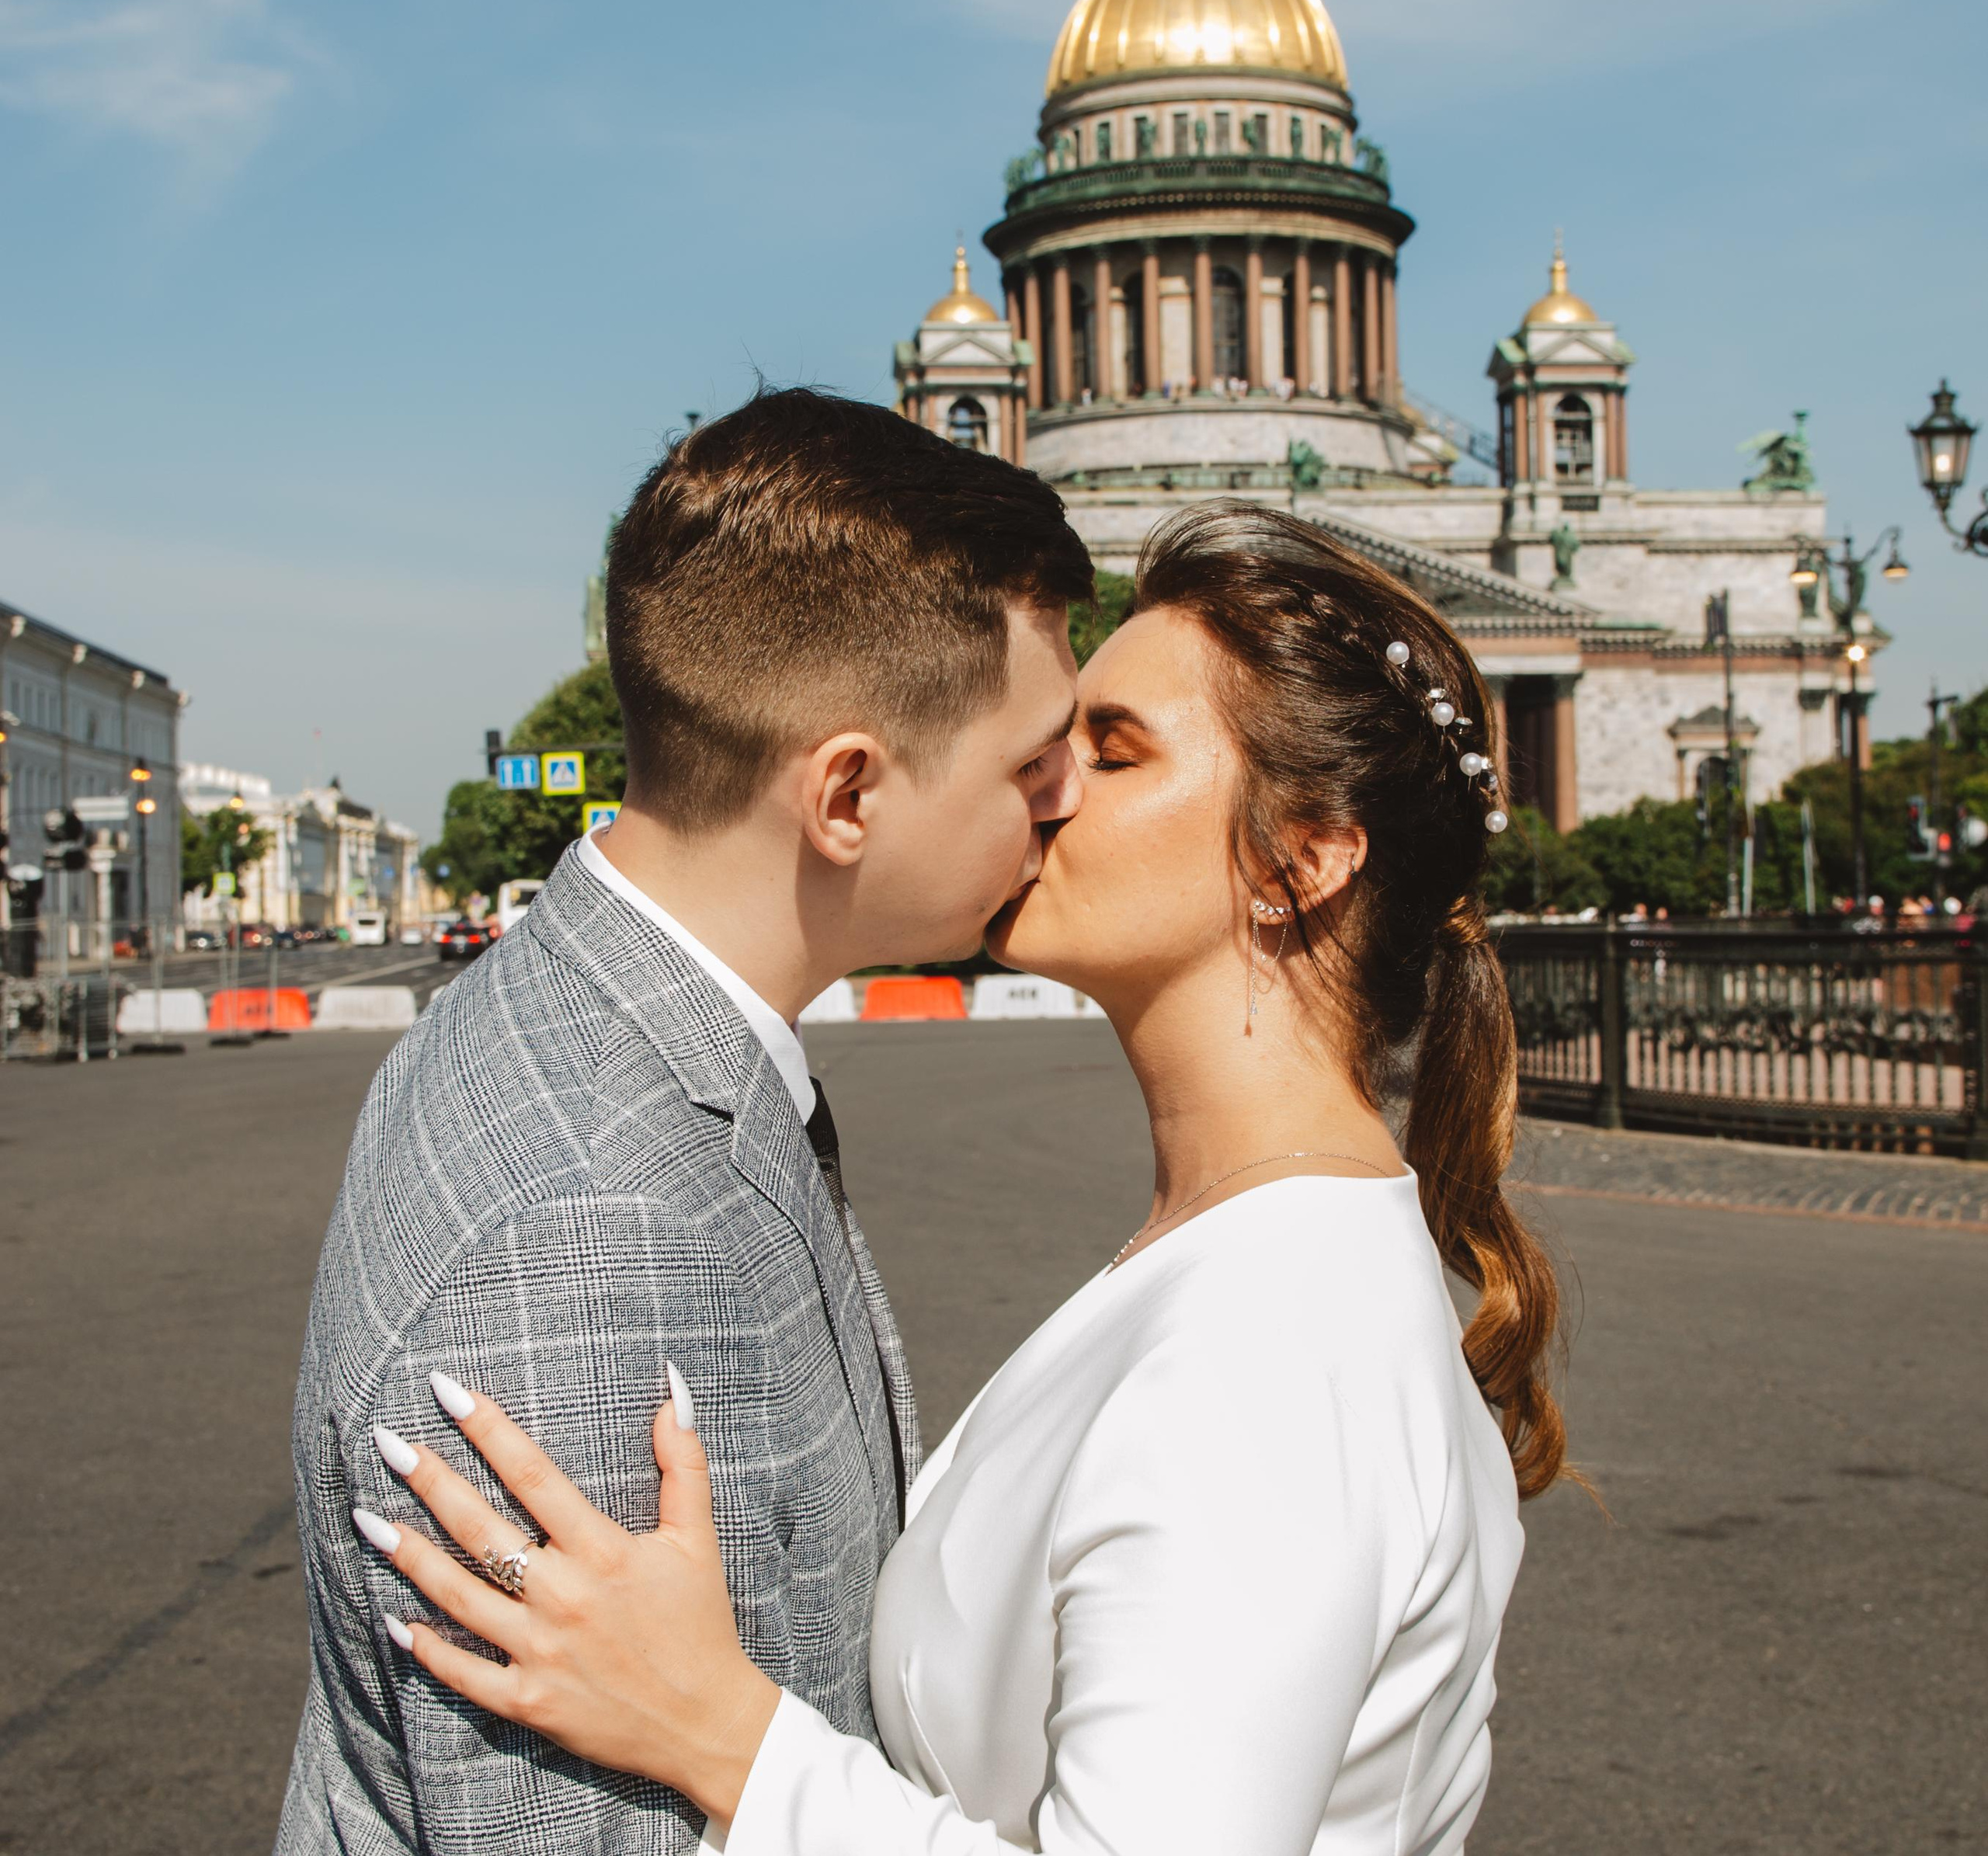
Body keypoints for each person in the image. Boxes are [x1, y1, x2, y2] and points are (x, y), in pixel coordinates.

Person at [358, 503, 1573, 1854]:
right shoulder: (1243, 1252)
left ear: (1301, 858)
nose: (1044, 789)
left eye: (1111, 753)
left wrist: (723, 1735)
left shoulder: (1273, 1345)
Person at [278, 386, 1093, 1852]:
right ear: (847, 793)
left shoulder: (584, 1016)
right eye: (1034, 765)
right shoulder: (588, 1242)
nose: (1069, 801)